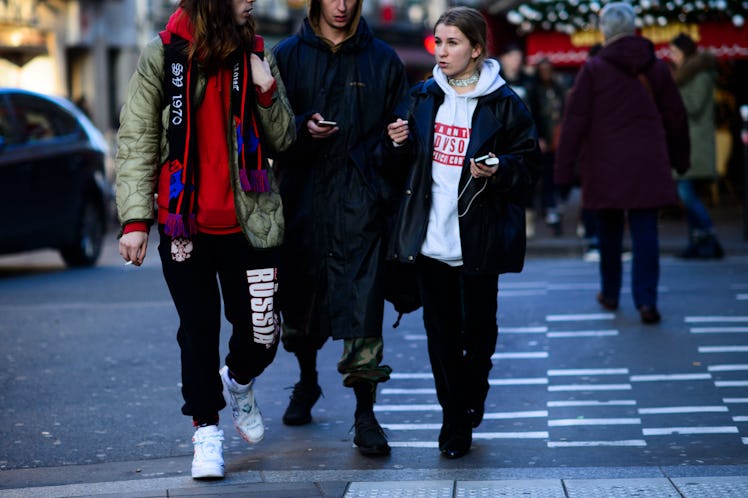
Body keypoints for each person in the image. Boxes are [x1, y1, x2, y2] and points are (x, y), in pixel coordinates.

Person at [115, 0, 295, 479]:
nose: (250, 1)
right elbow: (137, 137)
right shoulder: (164, 55)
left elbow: (283, 140)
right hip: (185, 222)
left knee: (261, 333)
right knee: (198, 332)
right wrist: (135, 220)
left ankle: (238, 380)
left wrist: (266, 90)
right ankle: (206, 431)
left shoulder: (257, 52)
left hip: (251, 221)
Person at [386, 6, 540, 459]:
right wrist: (395, 143)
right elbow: (396, 170)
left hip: (478, 238)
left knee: (481, 333)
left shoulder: (504, 102)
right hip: (430, 241)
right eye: (439, 41)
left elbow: (529, 164)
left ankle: (473, 389)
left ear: (476, 49)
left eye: (453, 42)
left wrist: (499, 168)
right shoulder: (420, 97)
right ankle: (454, 421)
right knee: (441, 337)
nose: (443, 50)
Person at [271, 0, 410, 457]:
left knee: (363, 304)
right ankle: (307, 381)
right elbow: (264, 129)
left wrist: (394, 145)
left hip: (361, 202)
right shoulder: (287, 55)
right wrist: (298, 128)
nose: (341, 5)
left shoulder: (383, 59)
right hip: (302, 200)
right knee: (300, 305)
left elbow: (402, 137)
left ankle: (365, 414)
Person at [554, 2, 690, 325]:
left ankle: (611, 293)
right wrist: (681, 158)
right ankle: (646, 301)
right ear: (632, 28)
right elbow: (675, 116)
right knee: (646, 232)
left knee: (609, 232)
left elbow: (575, 122)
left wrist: (563, 171)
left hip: (605, 164)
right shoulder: (654, 67)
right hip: (648, 162)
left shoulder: (594, 69)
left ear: (605, 32)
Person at [669, 33, 725, 259]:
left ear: (684, 52)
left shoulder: (699, 75)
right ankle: (697, 241)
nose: (671, 56)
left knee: (687, 194)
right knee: (687, 194)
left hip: (695, 144)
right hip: (688, 143)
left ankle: (709, 238)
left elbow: (694, 106)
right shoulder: (687, 75)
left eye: (674, 51)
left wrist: (674, 93)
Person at [528, 58, 566, 235]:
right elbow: (534, 115)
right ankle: (547, 207)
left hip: (557, 136)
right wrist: (539, 136)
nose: (546, 73)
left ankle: (553, 206)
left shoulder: (557, 88)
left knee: (556, 173)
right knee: (544, 175)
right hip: (544, 137)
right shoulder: (534, 90)